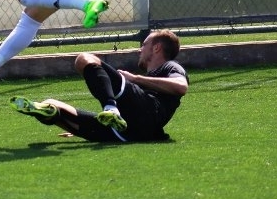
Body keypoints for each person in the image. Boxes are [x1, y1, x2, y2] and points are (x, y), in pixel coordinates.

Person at [10, 30, 188, 143]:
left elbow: (181, 87)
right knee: (52, 105)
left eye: (144, 45)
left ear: (156, 48)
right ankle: (52, 113)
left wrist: (134, 79)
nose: (140, 49)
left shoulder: (170, 66)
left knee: (84, 59)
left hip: (146, 109)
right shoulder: (149, 76)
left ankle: (110, 107)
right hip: (130, 132)